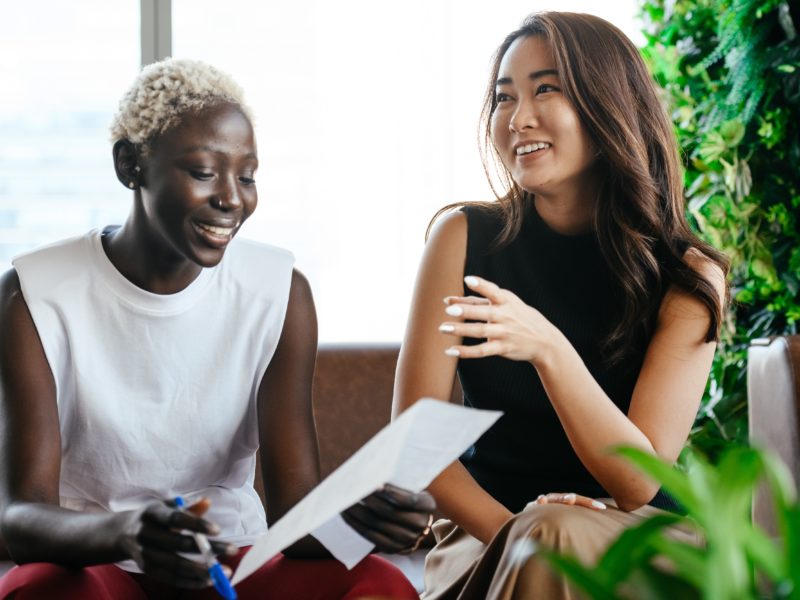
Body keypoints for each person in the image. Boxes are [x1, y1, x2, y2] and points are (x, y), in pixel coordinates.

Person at [0, 58, 434, 600]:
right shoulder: (34, 292)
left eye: (247, 176)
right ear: (130, 166)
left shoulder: (280, 292)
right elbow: (20, 516)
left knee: (379, 584)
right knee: (38, 590)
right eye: (204, 172)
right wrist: (127, 532)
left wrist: (362, 522)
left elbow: (294, 510)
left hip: (233, 560)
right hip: (104, 561)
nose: (232, 198)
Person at [393, 11, 728, 600]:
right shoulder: (463, 238)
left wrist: (548, 348)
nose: (518, 118)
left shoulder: (687, 275)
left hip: (638, 533)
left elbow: (635, 482)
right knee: (545, 539)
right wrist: (520, 541)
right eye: (504, 98)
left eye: (546, 89)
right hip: (488, 530)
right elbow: (415, 444)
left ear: (608, 106)